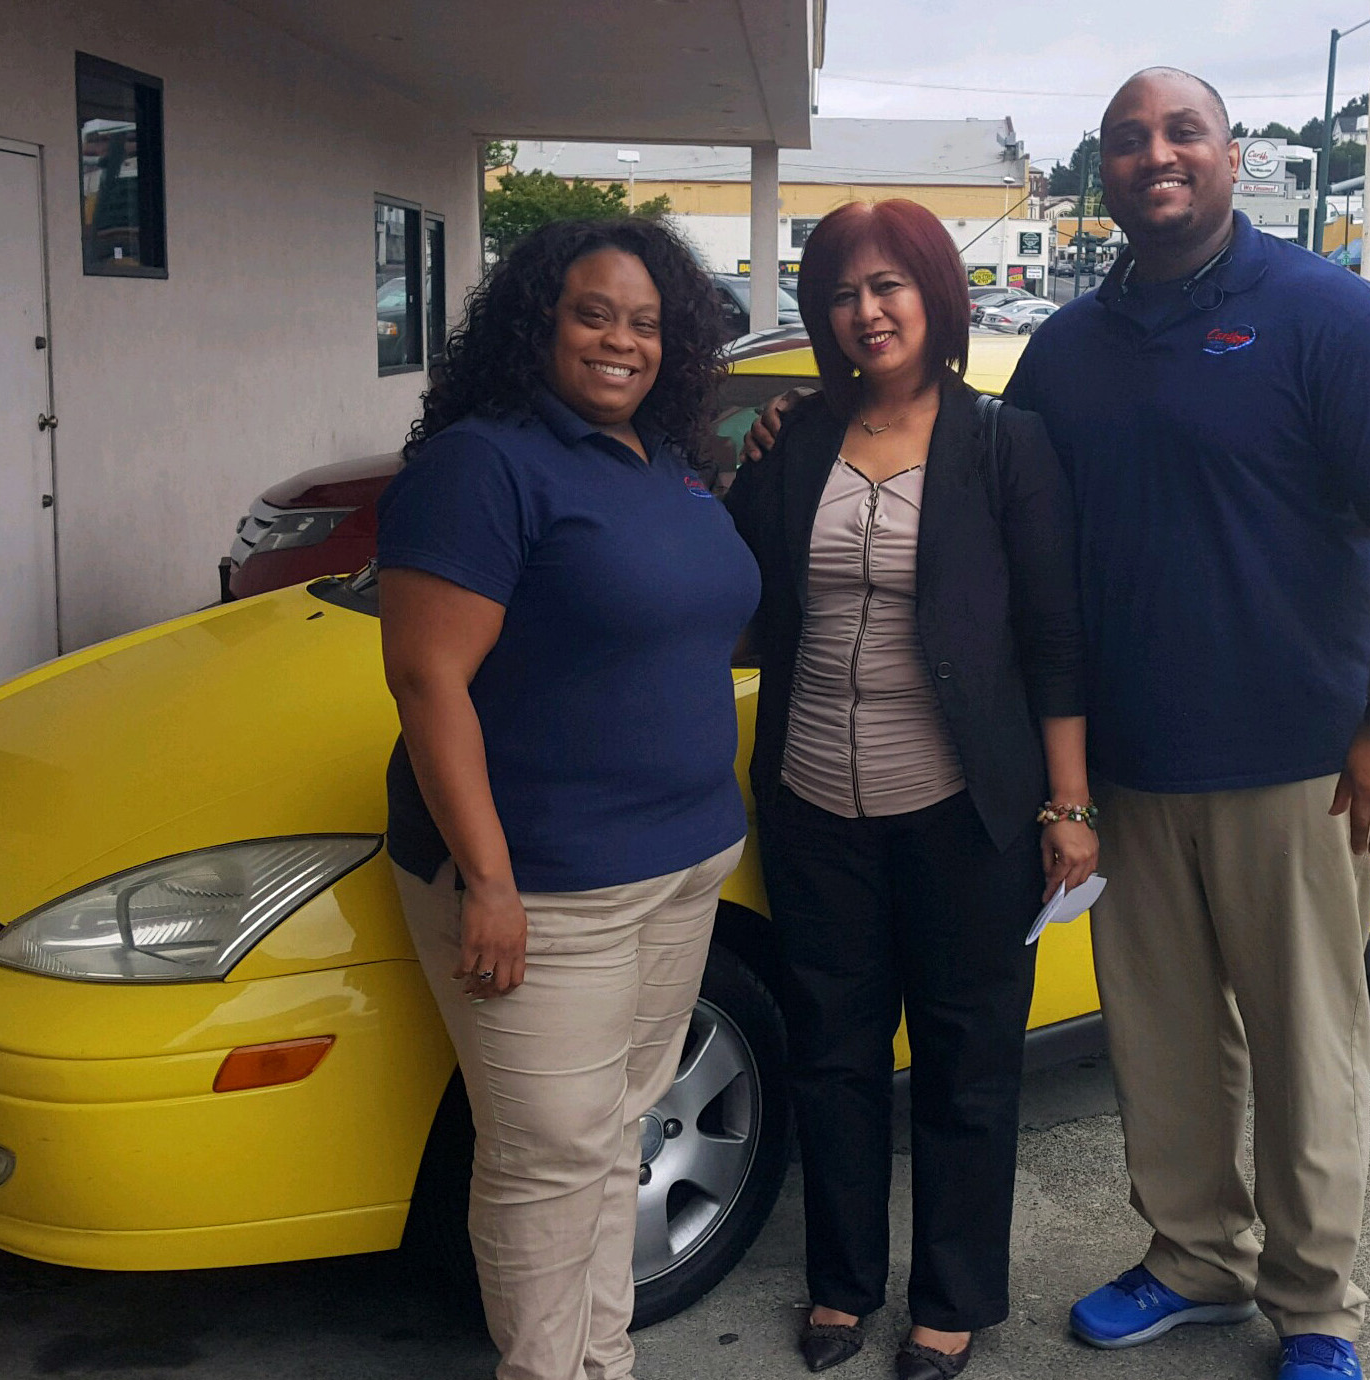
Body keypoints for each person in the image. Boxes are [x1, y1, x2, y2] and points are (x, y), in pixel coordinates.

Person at [1007, 71, 1370, 1380]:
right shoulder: (1064, 353)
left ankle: (1314, 1306)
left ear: (1231, 155)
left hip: (1300, 770)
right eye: (1127, 140)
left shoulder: (1328, 316)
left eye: (1181, 132)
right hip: (1131, 774)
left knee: (1309, 1049)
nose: (1155, 155)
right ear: (1103, 172)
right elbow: (1003, 516)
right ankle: (1196, 1259)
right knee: (1160, 1045)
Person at [376, 218, 759, 1380]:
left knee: (613, 1137)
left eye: (645, 323)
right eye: (593, 315)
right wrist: (488, 882)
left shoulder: (664, 459)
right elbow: (425, 679)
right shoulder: (482, 464)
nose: (620, 342)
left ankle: (602, 1363)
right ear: (537, 322)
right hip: (546, 885)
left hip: (681, 865)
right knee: (547, 1160)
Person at [725, 199, 1095, 1380]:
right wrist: (744, 462)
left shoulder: (1003, 444)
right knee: (831, 1055)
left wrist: (1069, 806)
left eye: (887, 285)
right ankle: (841, 1283)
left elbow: (1052, 637)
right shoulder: (794, 441)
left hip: (963, 813)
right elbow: (735, 592)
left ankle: (951, 1298)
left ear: (936, 295)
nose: (866, 311)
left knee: (965, 1059)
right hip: (811, 805)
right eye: (841, 292)